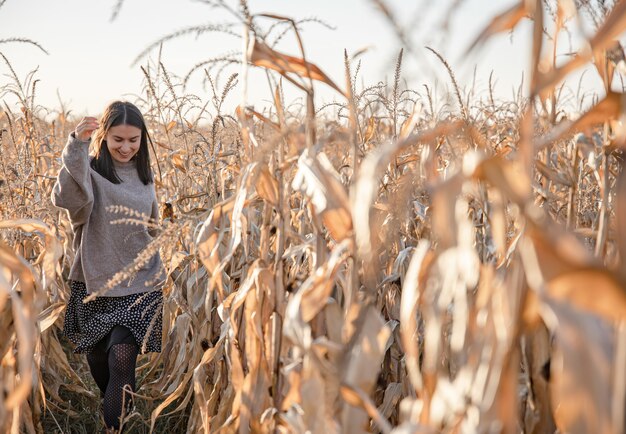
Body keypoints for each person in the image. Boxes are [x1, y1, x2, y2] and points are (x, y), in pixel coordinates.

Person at [51, 100, 164, 433]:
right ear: (104, 136)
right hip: (95, 282)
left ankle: (115, 426)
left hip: (139, 284)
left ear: (142, 139)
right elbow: (66, 200)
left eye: (134, 140)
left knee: (122, 359)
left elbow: (152, 226)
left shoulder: (145, 177)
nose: (126, 147)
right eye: (118, 140)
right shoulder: (90, 171)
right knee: (100, 361)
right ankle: (112, 405)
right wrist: (75, 144)